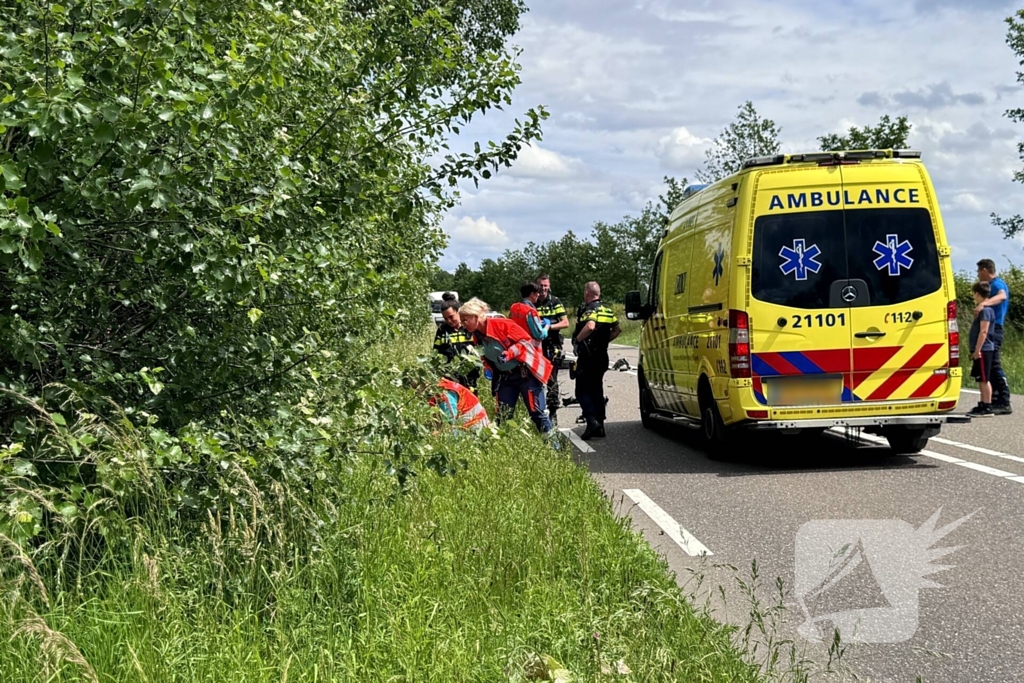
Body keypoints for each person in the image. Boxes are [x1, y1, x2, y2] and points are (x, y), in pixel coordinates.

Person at [459, 297, 556, 441]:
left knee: (537, 413)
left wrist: (509, 353)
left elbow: (525, 341)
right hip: (505, 378)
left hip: (525, 375)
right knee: (503, 416)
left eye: (466, 320)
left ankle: (554, 446)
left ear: (476, 316)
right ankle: (501, 448)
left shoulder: (502, 325)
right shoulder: (477, 336)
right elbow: (485, 356)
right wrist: (487, 367)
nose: (463, 324)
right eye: (462, 321)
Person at [572, 281, 620, 440]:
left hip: (588, 356)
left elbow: (590, 326)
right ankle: (600, 426)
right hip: (602, 356)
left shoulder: (589, 310)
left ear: (587, 293)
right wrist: (605, 341)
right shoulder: (607, 311)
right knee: (597, 389)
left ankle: (592, 421)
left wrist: (578, 340)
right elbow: (617, 329)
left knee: (582, 391)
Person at [974, 259, 1012, 414]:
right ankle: (995, 399)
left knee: (993, 363)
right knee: (990, 364)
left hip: (994, 328)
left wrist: (984, 303)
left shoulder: (997, 284)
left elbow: (1002, 296)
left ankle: (1003, 400)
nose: (977, 275)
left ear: (984, 270)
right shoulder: (991, 286)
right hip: (990, 328)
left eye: (978, 272)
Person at [536, 274, 570, 425]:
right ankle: (537, 412)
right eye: (540, 285)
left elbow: (565, 323)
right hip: (535, 346)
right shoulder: (532, 302)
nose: (543, 289)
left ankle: (553, 413)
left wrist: (549, 327)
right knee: (535, 380)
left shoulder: (555, 301)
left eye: (545, 285)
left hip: (551, 346)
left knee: (551, 381)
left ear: (549, 286)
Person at [433, 300, 479, 392]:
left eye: (451, 317)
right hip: (449, 377)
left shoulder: (470, 328)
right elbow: (435, 353)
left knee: (470, 404)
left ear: (459, 312)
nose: (449, 321)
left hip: (469, 377)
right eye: (445, 318)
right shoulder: (442, 330)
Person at [968, 282, 997, 417]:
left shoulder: (985, 311)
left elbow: (983, 331)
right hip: (982, 349)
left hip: (983, 349)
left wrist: (977, 349)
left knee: (984, 379)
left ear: (978, 294)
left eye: (974, 294)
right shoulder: (986, 309)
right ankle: (983, 402)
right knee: (980, 378)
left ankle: (987, 405)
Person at [509, 281, 549, 348]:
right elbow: (540, 335)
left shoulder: (514, 307)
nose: (538, 295)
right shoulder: (530, 311)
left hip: (515, 346)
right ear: (532, 294)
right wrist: (547, 326)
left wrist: (538, 323)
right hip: (529, 349)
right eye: (537, 293)